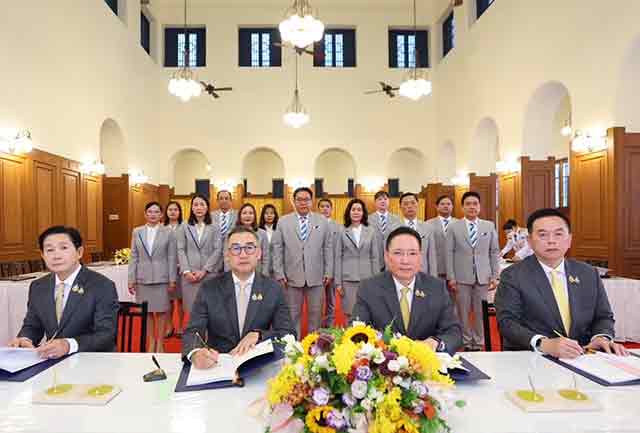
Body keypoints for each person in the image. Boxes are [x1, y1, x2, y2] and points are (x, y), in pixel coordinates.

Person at [495, 208, 628, 358]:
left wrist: (600, 337)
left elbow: (603, 316)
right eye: (543, 234)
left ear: (569, 239)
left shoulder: (588, 273)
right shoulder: (513, 275)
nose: (551, 240)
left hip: (583, 357)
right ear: (530, 241)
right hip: (532, 358)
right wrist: (543, 344)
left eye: (558, 234)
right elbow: (507, 323)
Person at [182, 226, 294, 368]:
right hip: (218, 364)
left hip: (258, 364)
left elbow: (288, 333)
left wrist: (260, 335)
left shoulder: (273, 289)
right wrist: (196, 353)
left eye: (249, 248)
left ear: (259, 253)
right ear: (227, 255)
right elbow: (193, 330)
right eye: (236, 248)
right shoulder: (209, 288)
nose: (243, 255)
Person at [8, 226, 119, 357]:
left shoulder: (101, 285)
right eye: (49, 250)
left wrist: (68, 345)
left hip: (91, 361)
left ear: (79, 252)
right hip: (51, 362)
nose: (56, 255)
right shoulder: (38, 286)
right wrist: (25, 339)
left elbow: (105, 334)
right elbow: (32, 325)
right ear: (43, 255)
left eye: (64, 248)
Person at [352, 226, 462, 355]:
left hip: (427, 365)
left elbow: (453, 332)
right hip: (385, 366)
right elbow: (357, 330)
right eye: (398, 253)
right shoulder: (368, 288)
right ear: (387, 257)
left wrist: (436, 342)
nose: (405, 260)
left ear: (420, 257)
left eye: (412, 253)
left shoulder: (436, 288)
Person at [272, 187, 334, 337]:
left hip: (317, 276)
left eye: (306, 199)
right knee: (293, 315)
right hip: (291, 276)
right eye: (299, 199)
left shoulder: (322, 221)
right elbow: (277, 248)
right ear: (293, 202)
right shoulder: (283, 221)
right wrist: (279, 272)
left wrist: (328, 271)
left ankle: (314, 347)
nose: (303, 203)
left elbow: (328, 247)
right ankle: (294, 347)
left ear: (312, 201)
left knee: (316, 315)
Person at [446, 191, 500, 351]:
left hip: (483, 276)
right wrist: (451, 277)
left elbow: (494, 251)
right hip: (461, 277)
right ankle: (466, 341)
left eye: (475, 203)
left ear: (479, 206)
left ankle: (478, 342)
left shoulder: (489, 226)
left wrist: (495, 276)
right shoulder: (454, 227)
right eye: (468, 204)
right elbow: (449, 252)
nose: (472, 207)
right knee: (462, 312)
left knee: (480, 313)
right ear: (462, 207)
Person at [128, 202, 177, 353]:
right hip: (142, 277)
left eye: (156, 212)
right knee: (147, 312)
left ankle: (160, 343)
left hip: (162, 277)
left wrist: (172, 278)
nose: (153, 214)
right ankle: (151, 342)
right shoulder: (137, 231)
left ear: (161, 215)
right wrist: (131, 278)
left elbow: (171, 256)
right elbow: (134, 256)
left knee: (162, 311)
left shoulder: (168, 232)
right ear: (145, 214)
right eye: (150, 211)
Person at [334, 198, 380, 323]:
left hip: (367, 278)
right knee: (349, 313)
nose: (356, 212)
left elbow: (374, 257)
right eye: (353, 209)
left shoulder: (370, 231)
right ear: (349, 212)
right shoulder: (342, 231)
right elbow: (338, 257)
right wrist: (338, 282)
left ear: (363, 213)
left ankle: (367, 340)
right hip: (348, 279)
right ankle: (348, 341)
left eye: (359, 209)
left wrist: (376, 279)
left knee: (368, 311)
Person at [176, 194, 223, 314]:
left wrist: (205, 270)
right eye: (195, 204)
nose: (199, 207)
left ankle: (208, 333)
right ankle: (194, 333)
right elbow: (180, 249)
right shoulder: (184, 226)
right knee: (191, 309)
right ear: (191, 208)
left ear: (207, 207)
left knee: (209, 309)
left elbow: (218, 249)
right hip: (190, 276)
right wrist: (186, 271)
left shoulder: (215, 226)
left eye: (202, 204)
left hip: (209, 274)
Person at [399, 192, 438, 277]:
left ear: (418, 205)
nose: (409, 206)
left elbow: (431, 256)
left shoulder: (428, 228)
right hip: (400, 273)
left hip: (422, 273)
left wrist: (433, 278)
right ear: (400, 207)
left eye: (413, 203)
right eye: (406, 204)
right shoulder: (393, 228)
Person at [229, 203, 270, 277]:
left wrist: (264, 275)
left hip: (257, 273)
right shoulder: (232, 234)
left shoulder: (262, 233)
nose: (248, 216)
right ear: (240, 216)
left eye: (251, 213)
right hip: (236, 273)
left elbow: (266, 257)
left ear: (254, 216)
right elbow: (227, 256)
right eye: (244, 213)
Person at [317, 198, 340, 327]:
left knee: (331, 300)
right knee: (318, 301)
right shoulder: (314, 225)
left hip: (333, 268)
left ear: (331, 209)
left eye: (327, 206)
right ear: (318, 209)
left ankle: (329, 326)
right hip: (318, 269)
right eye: (322, 206)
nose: (325, 209)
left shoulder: (338, 227)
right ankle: (319, 326)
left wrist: (333, 270)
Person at [163, 201, 185, 337]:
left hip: (181, 268)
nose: (172, 212)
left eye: (175, 209)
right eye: (170, 209)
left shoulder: (185, 227)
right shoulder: (161, 228)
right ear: (166, 212)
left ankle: (181, 326)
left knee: (181, 300)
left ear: (179, 212)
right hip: (166, 269)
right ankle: (169, 326)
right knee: (168, 300)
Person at [425, 195, 457, 280]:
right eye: (442, 204)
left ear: (452, 206)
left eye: (448, 204)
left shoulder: (459, 224)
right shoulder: (428, 224)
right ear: (437, 207)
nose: (446, 206)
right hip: (436, 269)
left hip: (456, 270)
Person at [369, 190, 401, 271]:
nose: (383, 201)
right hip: (374, 258)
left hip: (392, 258)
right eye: (380, 199)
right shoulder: (368, 219)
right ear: (375, 202)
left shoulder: (397, 219)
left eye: (385, 199)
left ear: (389, 201)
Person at [211, 190, 237, 272]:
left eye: (226, 198)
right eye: (221, 198)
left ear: (231, 200)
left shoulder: (238, 215)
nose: (224, 201)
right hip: (214, 255)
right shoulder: (210, 216)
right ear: (217, 201)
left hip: (231, 254)